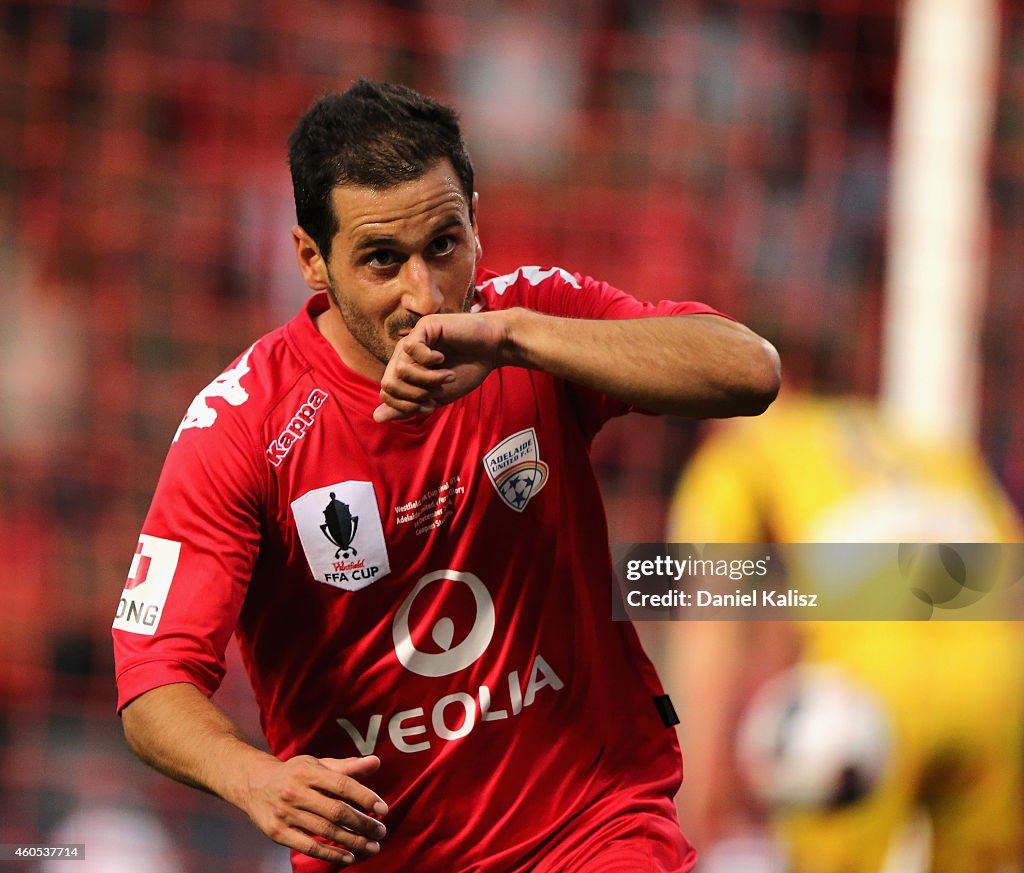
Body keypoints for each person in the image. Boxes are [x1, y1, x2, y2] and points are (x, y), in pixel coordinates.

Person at [111, 79, 780, 873]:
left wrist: (514, 339)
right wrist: (253, 777)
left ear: (475, 222)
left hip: (593, 823)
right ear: (311, 259)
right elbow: (153, 679)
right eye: (382, 261)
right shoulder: (244, 428)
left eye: (444, 245)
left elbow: (750, 371)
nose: (424, 295)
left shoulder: (533, 322)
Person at [664, 389, 1024, 873]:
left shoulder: (742, 450)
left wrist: (693, 788)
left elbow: (709, 623)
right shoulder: (923, 442)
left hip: (868, 691)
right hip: (1003, 676)